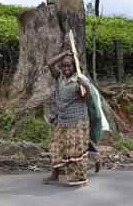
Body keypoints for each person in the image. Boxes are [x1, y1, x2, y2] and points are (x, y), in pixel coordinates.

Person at [43, 50, 91, 187]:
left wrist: (86, 87)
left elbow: (88, 101)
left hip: (78, 121)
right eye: (64, 66)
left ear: (74, 67)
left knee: (74, 151)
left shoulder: (81, 80)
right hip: (63, 120)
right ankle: (55, 174)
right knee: (55, 146)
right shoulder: (60, 77)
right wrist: (64, 54)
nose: (66, 69)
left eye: (69, 66)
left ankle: (79, 179)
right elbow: (49, 64)